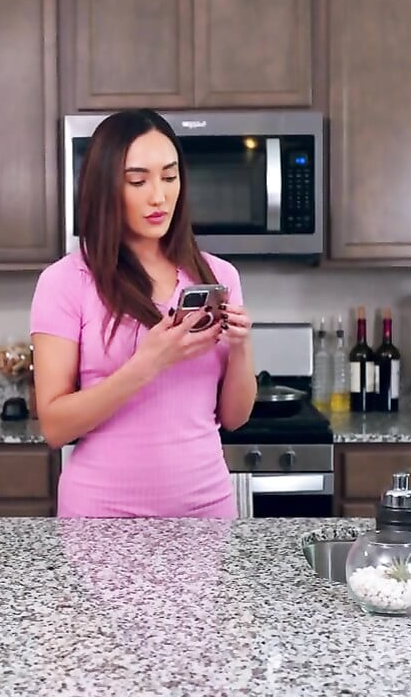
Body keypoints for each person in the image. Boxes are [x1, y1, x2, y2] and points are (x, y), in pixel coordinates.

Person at [29, 108, 257, 518]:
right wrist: (147, 363)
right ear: (105, 188)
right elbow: (55, 426)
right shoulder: (65, 282)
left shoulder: (219, 276)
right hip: (100, 519)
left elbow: (235, 418)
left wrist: (241, 347)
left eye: (169, 177)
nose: (159, 196)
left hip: (206, 513)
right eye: (138, 181)